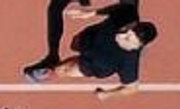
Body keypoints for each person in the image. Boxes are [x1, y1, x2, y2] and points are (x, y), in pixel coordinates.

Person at [22, 0, 157, 101]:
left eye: (127, 38)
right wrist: (91, 13)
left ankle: (49, 72)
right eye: (127, 29)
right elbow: (121, 7)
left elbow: (132, 88)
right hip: (93, 37)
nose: (122, 34)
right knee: (74, 43)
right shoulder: (128, 13)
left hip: (96, 64)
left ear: (137, 45)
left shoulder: (128, 62)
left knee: (63, 70)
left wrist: (108, 95)